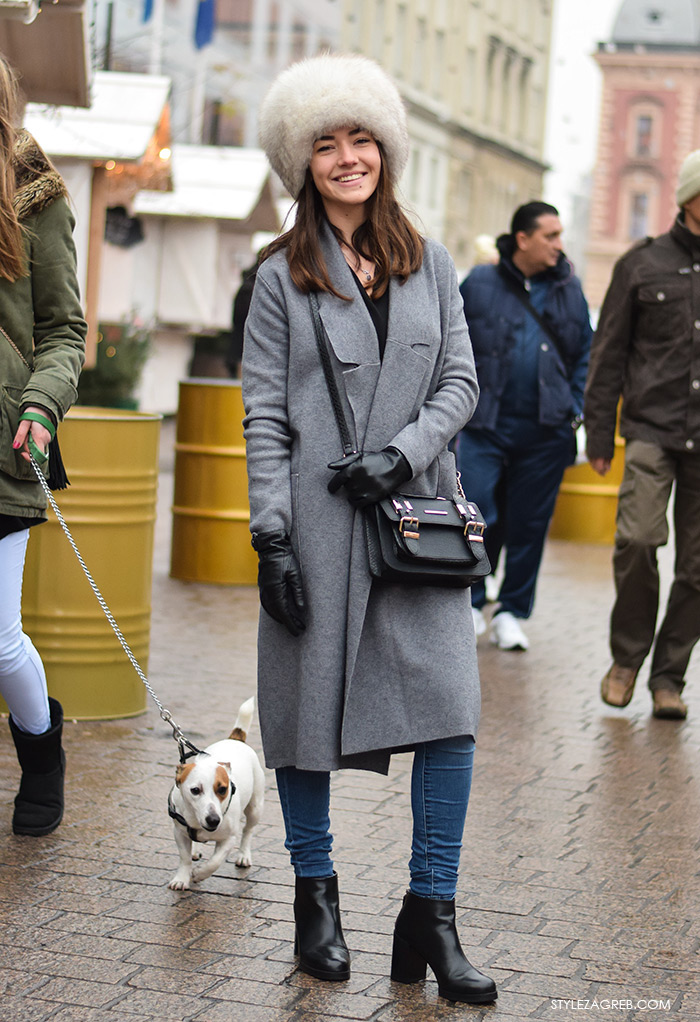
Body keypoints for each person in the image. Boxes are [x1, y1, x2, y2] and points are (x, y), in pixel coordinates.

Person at [242, 52, 497, 1005]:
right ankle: (317, 898)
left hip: (416, 525)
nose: (348, 157)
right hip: (314, 526)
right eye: (325, 144)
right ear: (301, 163)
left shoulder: (427, 262)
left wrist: (399, 453)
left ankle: (430, 914)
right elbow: (264, 413)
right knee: (305, 718)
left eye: (360, 138)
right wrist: (272, 538)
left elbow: (461, 383)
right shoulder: (281, 279)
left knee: (452, 717)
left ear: (384, 147)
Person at [0, 55, 86, 834]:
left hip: (4, 440)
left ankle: (42, 749)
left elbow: (63, 330)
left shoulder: (35, 198)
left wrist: (41, 402)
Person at [584, 149, 700, 721]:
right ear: (689, 196)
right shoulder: (641, 263)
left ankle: (668, 677)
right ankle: (627, 657)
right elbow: (608, 356)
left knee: (699, 567)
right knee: (636, 542)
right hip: (652, 431)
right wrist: (598, 437)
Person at [456, 202, 592, 650]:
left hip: (545, 431)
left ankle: (512, 612)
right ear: (523, 239)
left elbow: (585, 355)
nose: (559, 245)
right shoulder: (480, 283)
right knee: (476, 512)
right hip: (483, 424)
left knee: (529, 525)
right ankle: (471, 601)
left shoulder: (569, 290)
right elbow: (451, 342)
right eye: (550, 236)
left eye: (560, 235)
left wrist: (574, 407)